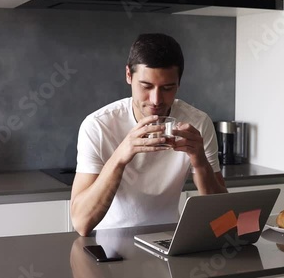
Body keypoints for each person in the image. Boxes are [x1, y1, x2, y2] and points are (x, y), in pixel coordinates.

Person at [70, 33, 227, 236]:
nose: (156, 100)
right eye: (146, 86)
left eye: (168, 88)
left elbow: (222, 215)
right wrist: (120, 157)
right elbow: (81, 223)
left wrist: (200, 161)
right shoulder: (98, 126)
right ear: (129, 75)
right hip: (109, 243)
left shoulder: (197, 123)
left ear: (179, 82)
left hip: (169, 238)